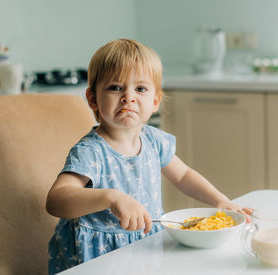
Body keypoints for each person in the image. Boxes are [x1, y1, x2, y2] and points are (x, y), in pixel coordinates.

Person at [46, 39, 252, 274]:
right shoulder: (90, 152)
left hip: (143, 244)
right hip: (96, 256)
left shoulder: (155, 141)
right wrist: (111, 198)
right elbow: (56, 200)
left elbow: (183, 176)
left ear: (155, 101)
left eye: (140, 89)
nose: (128, 97)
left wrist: (219, 200)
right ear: (92, 99)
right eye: (115, 87)